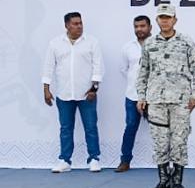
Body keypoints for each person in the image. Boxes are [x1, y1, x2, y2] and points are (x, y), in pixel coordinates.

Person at [137, 4, 195, 188]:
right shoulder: (150, 44)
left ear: (175, 19)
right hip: (156, 101)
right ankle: (163, 180)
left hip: (180, 101)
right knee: (160, 141)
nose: (165, 21)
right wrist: (141, 96)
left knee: (179, 141)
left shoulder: (185, 42)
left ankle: (177, 181)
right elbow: (143, 72)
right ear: (157, 21)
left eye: (168, 17)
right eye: (161, 18)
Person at [42, 12, 104, 173]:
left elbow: (98, 66)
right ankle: (64, 160)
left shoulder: (92, 42)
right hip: (64, 93)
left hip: (86, 94)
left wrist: (94, 89)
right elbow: (48, 67)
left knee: (90, 127)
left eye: (80, 23)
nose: (79, 26)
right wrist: (46, 89)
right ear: (67, 26)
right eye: (75, 24)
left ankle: (94, 159)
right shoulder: (55, 43)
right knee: (65, 128)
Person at [116, 15, 152, 173]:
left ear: (150, 27)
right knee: (130, 127)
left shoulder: (157, 44)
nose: (139, 29)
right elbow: (124, 70)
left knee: (161, 130)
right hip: (132, 95)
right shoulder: (128, 47)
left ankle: (164, 163)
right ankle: (125, 160)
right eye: (136, 26)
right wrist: (136, 84)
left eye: (143, 26)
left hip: (154, 96)